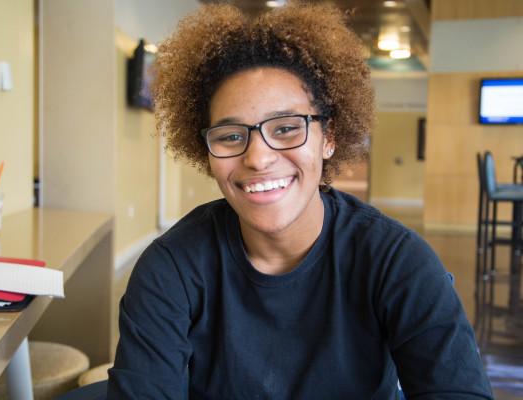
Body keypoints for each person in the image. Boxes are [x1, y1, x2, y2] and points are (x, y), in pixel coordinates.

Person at [107, 3, 493, 399]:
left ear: (329, 137)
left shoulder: (397, 261)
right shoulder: (171, 269)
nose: (257, 158)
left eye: (287, 128)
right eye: (230, 136)